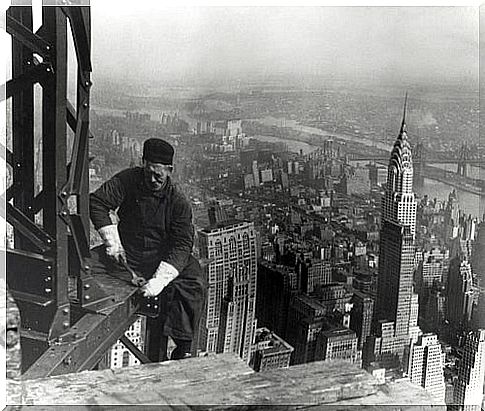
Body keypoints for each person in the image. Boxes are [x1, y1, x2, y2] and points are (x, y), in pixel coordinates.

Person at [89, 138, 207, 361]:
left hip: (160, 257)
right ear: (143, 163)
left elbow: (182, 244)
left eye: (158, 175)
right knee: (84, 263)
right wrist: (112, 242)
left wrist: (159, 281)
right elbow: (97, 202)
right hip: (127, 253)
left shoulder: (178, 201)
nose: (152, 179)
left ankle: (183, 345)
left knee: (195, 282)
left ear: (169, 171)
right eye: (149, 172)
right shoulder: (128, 180)